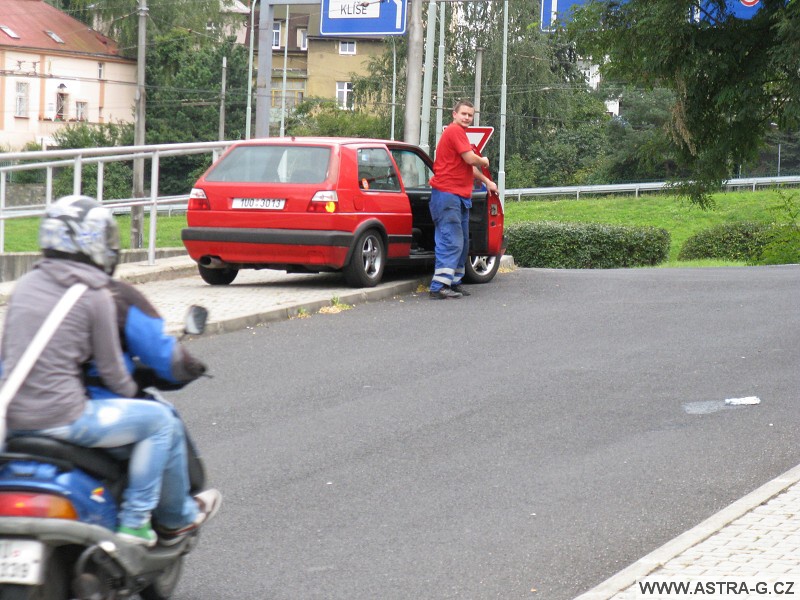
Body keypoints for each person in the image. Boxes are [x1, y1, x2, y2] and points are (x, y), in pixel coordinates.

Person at [0, 195, 221, 548]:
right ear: (94, 244)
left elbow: (7, 357)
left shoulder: (25, 287)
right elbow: (114, 373)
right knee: (160, 422)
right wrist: (135, 388)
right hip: (64, 416)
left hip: (12, 418)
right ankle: (135, 522)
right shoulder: (97, 295)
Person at [428, 99, 498, 300]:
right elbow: (471, 160)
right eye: (464, 114)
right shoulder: (455, 131)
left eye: (470, 115)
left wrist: (487, 182)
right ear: (454, 114)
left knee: (462, 242)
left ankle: (453, 282)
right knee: (451, 240)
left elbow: (469, 167)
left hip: (459, 195)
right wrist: (484, 160)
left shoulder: (461, 135)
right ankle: (439, 286)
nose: (467, 117)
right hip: (447, 194)